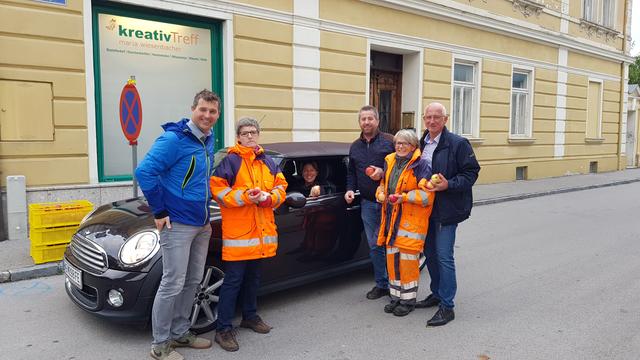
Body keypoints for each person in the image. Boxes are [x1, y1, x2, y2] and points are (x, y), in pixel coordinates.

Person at [135, 89, 220, 360]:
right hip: (178, 224)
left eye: (212, 111)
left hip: (201, 222)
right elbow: (144, 172)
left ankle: (181, 332)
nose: (207, 115)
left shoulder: (207, 139)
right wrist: (159, 210)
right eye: (203, 110)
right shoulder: (174, 139)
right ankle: (160, 344)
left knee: (194, 280)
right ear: (193, 109)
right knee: (172, 282)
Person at [209, 117, 288, 352]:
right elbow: (218, 191)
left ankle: (250, 316)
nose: (250, 136)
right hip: (239, 235)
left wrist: (267, 198)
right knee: (233, 282)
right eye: (245, 133)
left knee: (253, 279)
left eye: (253, 132)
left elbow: (281, 188)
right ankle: (223, 329)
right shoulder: (230, 161)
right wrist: (245, 197)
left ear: (258, 135)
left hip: (261, 234)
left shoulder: (267, 161)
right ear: (238, 137)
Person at [415, 102, 480, 327]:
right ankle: (437, 293)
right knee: (429, 254)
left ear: (445, 119)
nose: (432, 121)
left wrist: (448, 185)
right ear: (424, 119)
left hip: (447, 208)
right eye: (428, 117)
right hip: (424, 209)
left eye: (437, 117)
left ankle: (447, 306)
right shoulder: (421, 142)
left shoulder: (458, 143)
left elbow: (472, 172)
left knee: (443, 256)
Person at [375, 129, 434, 317]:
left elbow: (427, 196)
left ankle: (408, 301)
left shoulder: (421, 165)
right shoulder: (389, 161)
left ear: (413, 146)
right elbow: (384, 184)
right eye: (397, 143)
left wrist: (404, 197)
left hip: (410, 223)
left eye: (404, 143)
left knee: (408, 264)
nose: (400, 146)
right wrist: (380, 193)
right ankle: (395, 298)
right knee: (392, 262)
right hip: (391, 220)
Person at [345, 105, 395, 299]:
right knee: (374, 245)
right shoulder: (355, 146)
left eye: (370, 118)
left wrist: (383, 172)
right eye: (363, 119)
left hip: (390, 202)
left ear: (377, 121)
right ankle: (382, 284)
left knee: (392, 243)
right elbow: (351, 172)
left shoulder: (390, 142)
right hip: (368, 203)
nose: (366, 122)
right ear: (360, 122)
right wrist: (350, 189)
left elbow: (402, 166)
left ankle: (396, 284)